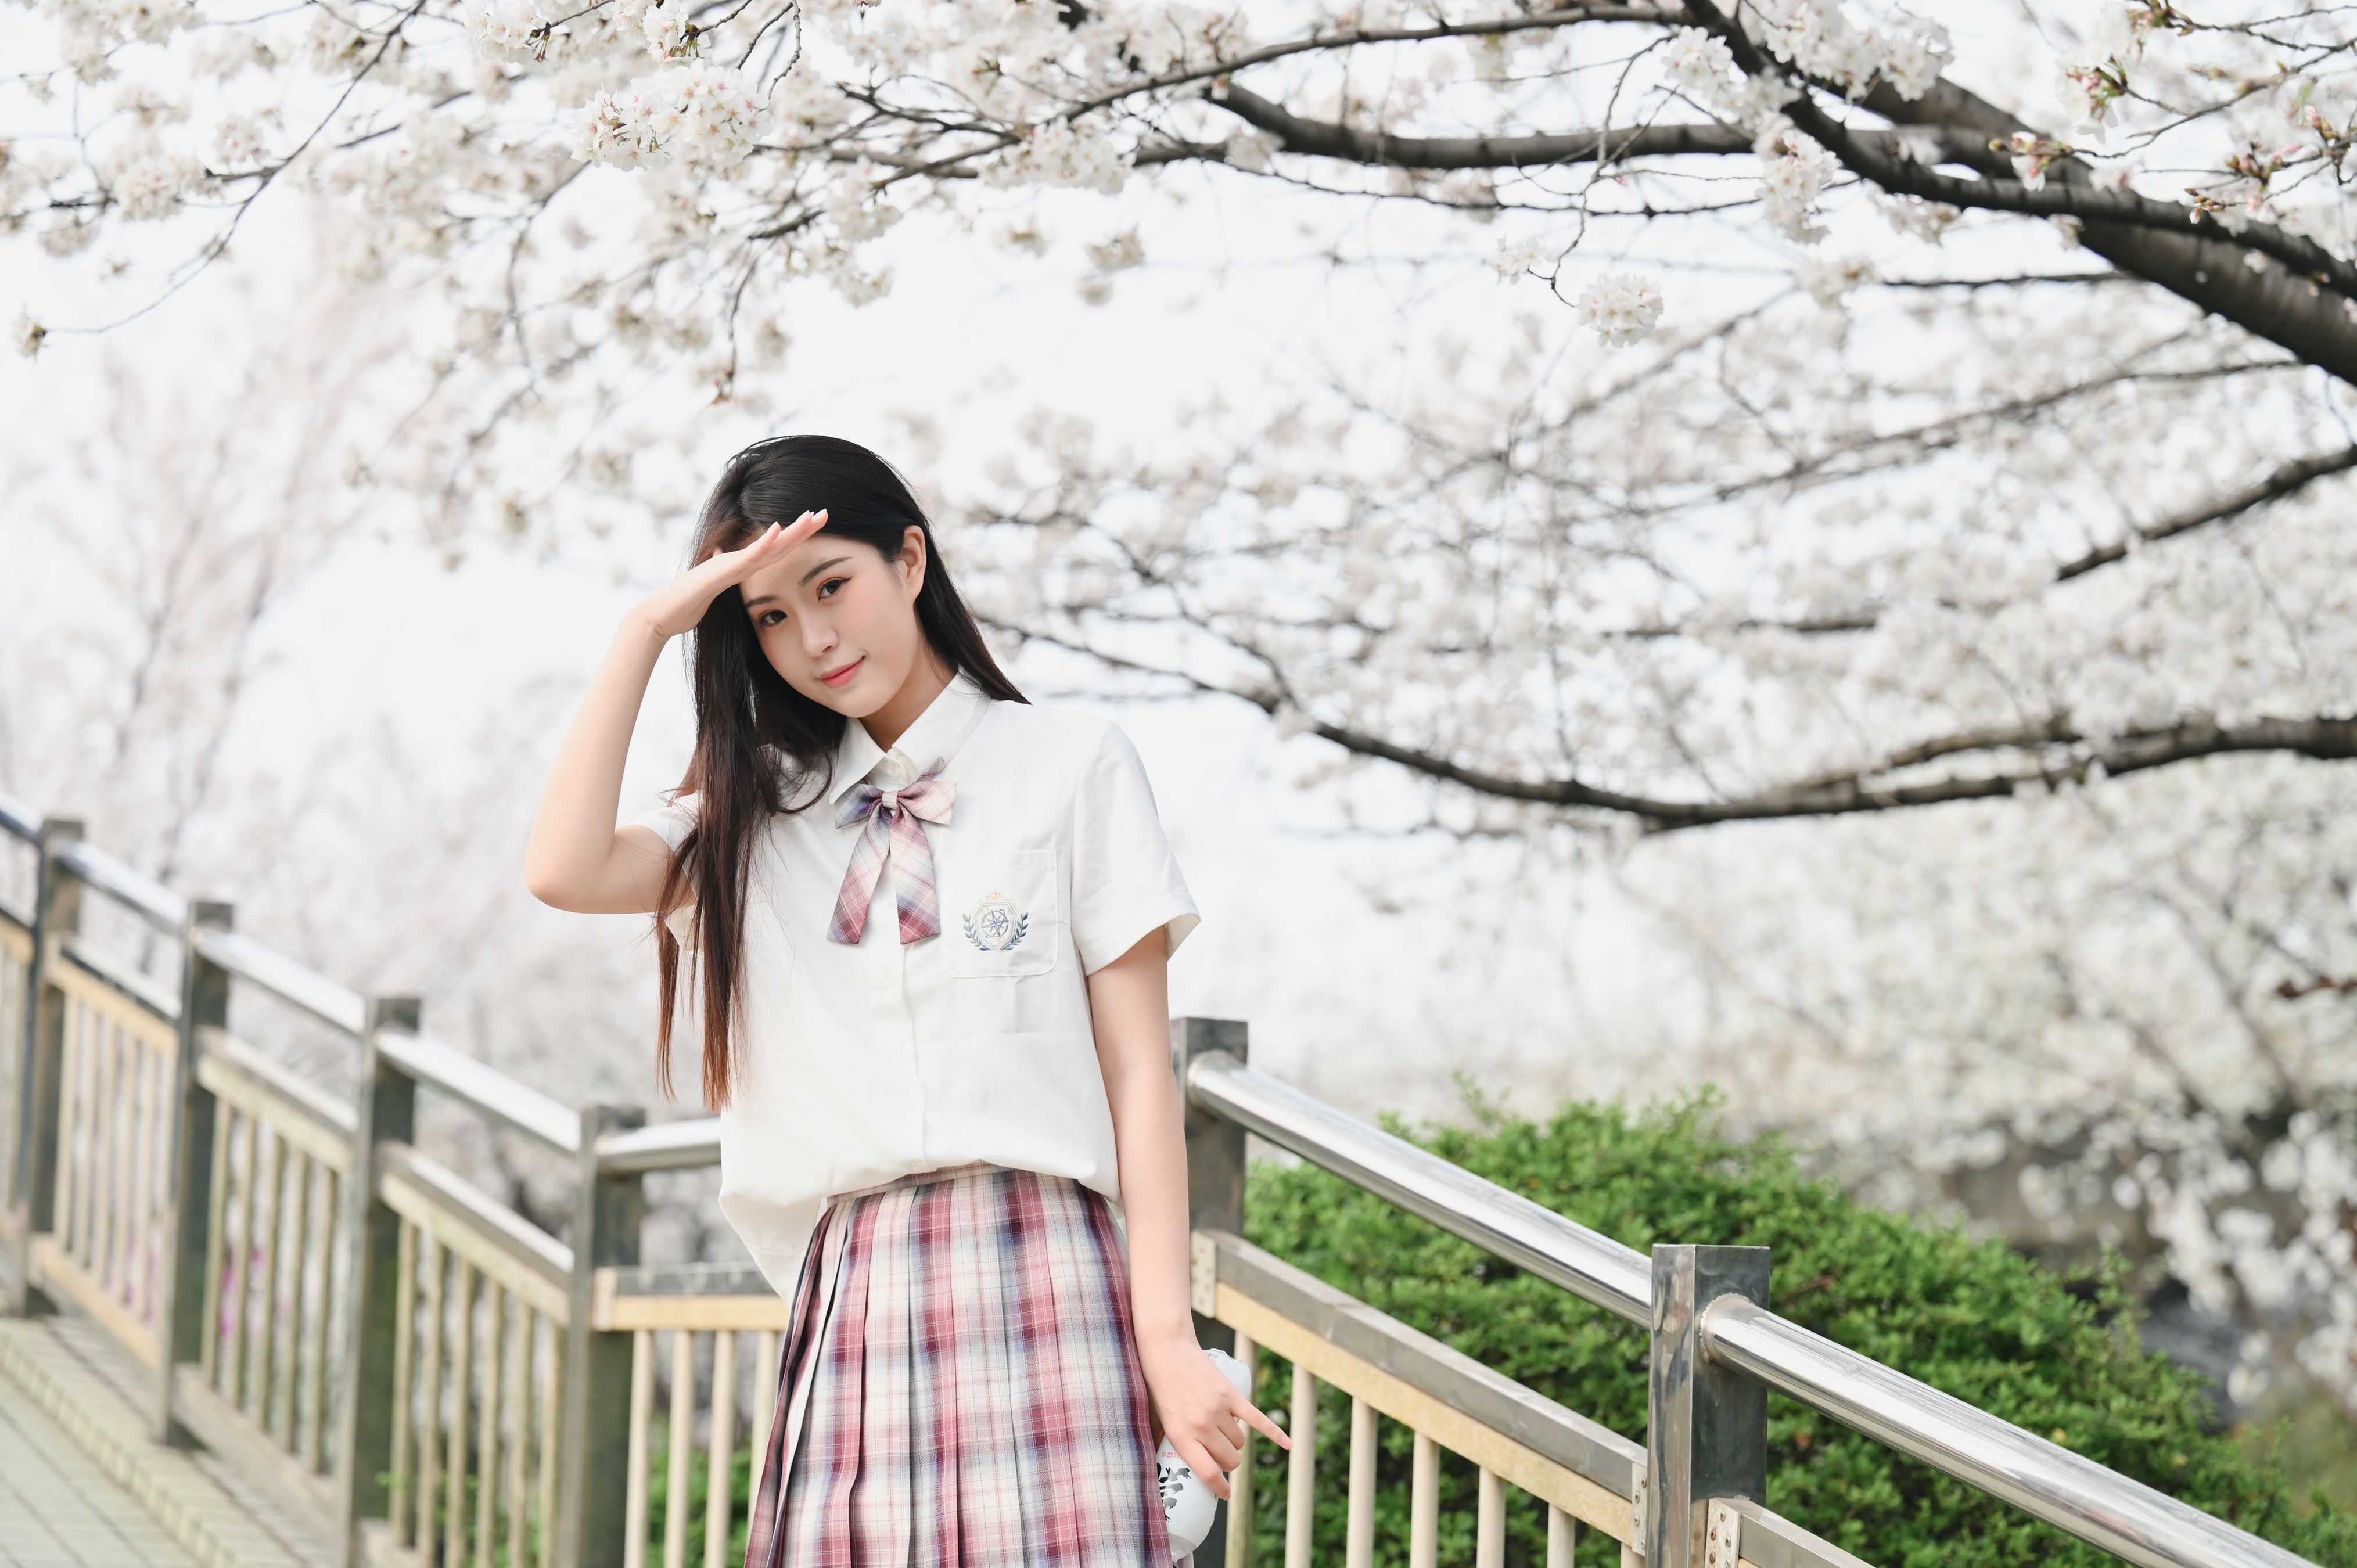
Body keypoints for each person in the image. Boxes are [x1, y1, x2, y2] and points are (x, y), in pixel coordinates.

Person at [523, 434, 1285, 1568]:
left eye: (831, 586)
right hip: (864, 1297)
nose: (812, 639)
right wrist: (647, 631)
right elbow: (564, 869)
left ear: (911, 561)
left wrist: (1166, 1336)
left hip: (1049, 1277)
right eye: (770, 616)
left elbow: (1138, 1072)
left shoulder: (1068, 765)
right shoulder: (750, 818)